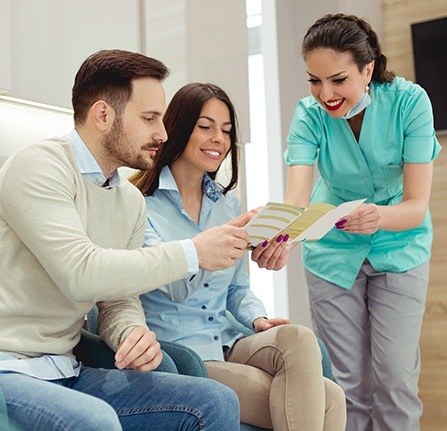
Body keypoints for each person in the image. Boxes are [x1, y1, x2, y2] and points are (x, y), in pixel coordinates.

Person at [0, 49, 251, 431]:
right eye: (149, 118)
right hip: (8, 368)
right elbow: (81, 272)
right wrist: (193, 252)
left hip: (67, 368)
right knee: (94, 420)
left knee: (213, 400)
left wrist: (131, 332)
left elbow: (117, 298)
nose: (163, 134)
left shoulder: (129, 200)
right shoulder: (38, 166)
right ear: (103, 115)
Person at [130, 82, 347, 431]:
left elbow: (237, 290)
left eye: (227, 130)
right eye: (206, 127)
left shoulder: (227, 203)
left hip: (229, 340)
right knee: (330, 400)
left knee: (300, 339)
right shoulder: (139, 204)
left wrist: (258, 319)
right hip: (184, 354)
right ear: (179, 128)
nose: (219, 138)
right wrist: (218, 241)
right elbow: (173, 287)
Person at [283, 13, 442, 431]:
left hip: (399, 247)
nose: (325, 94)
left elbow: (415, 207)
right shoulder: (308, 114)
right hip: (332, 253)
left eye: (338, 80)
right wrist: (281, 236)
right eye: (314, 81)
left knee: (395, 380)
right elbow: (296, 198)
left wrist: (378, 217)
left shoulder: (410, 103)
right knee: (345, 386)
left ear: (367, 68)